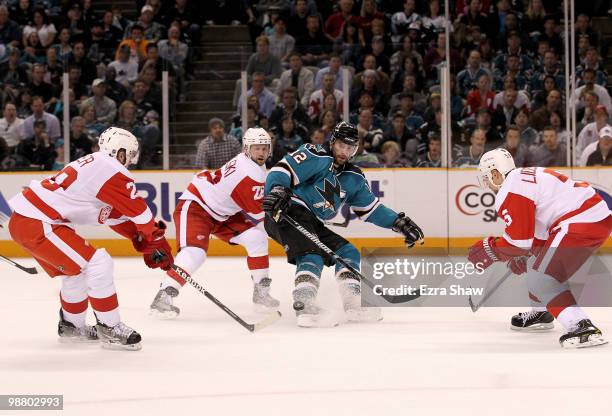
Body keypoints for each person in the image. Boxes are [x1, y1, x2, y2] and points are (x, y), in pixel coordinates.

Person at [7, 127, 173, 350]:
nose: (130, 164)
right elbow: (140, 213)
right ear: (121, 153)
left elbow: (113, 216)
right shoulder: (111, 168)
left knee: (75, 272)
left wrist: (137, 237)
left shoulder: (95, 168)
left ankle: (72, 327)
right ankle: (111, 328)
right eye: (129, 157)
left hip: (30, 221)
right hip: (38, 222)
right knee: (98, 262)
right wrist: (155, 243)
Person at [262, 121, 424, 327]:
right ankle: (305, 304)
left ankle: (352, 303)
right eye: (341, 145)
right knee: (311, 254)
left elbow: (372, 210)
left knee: (348, 253)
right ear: (332, 142)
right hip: (286, 211)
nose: (344, 151)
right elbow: (281, 171)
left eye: (350, 148)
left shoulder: (353, 178)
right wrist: (277, 190)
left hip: (312, 221)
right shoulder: (316, 155)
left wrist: (398, 223)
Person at [467, 148, 611, 348]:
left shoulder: (511, 189)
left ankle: (582, 326)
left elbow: (518, 242)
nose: (488, 184)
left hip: (578, 221)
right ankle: (542, 312)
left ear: (495, 173)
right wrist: (525, 254)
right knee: (536, 263)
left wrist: (491, 249)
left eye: (487, 178)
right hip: (590, 217)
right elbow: (535, 236)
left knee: (542, 279)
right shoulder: (522, 178)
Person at [150, 128, 279, 317]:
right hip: (197, 206)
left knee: (257, 239)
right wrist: (287, 239)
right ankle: (163, 296)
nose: (261, 153)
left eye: (264, 148)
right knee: (195, 253)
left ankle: (261, 293)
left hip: (223, 213)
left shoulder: (254, 166)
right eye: (256, 148)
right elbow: (260, 218)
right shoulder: (250, 172)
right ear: (246, 149)